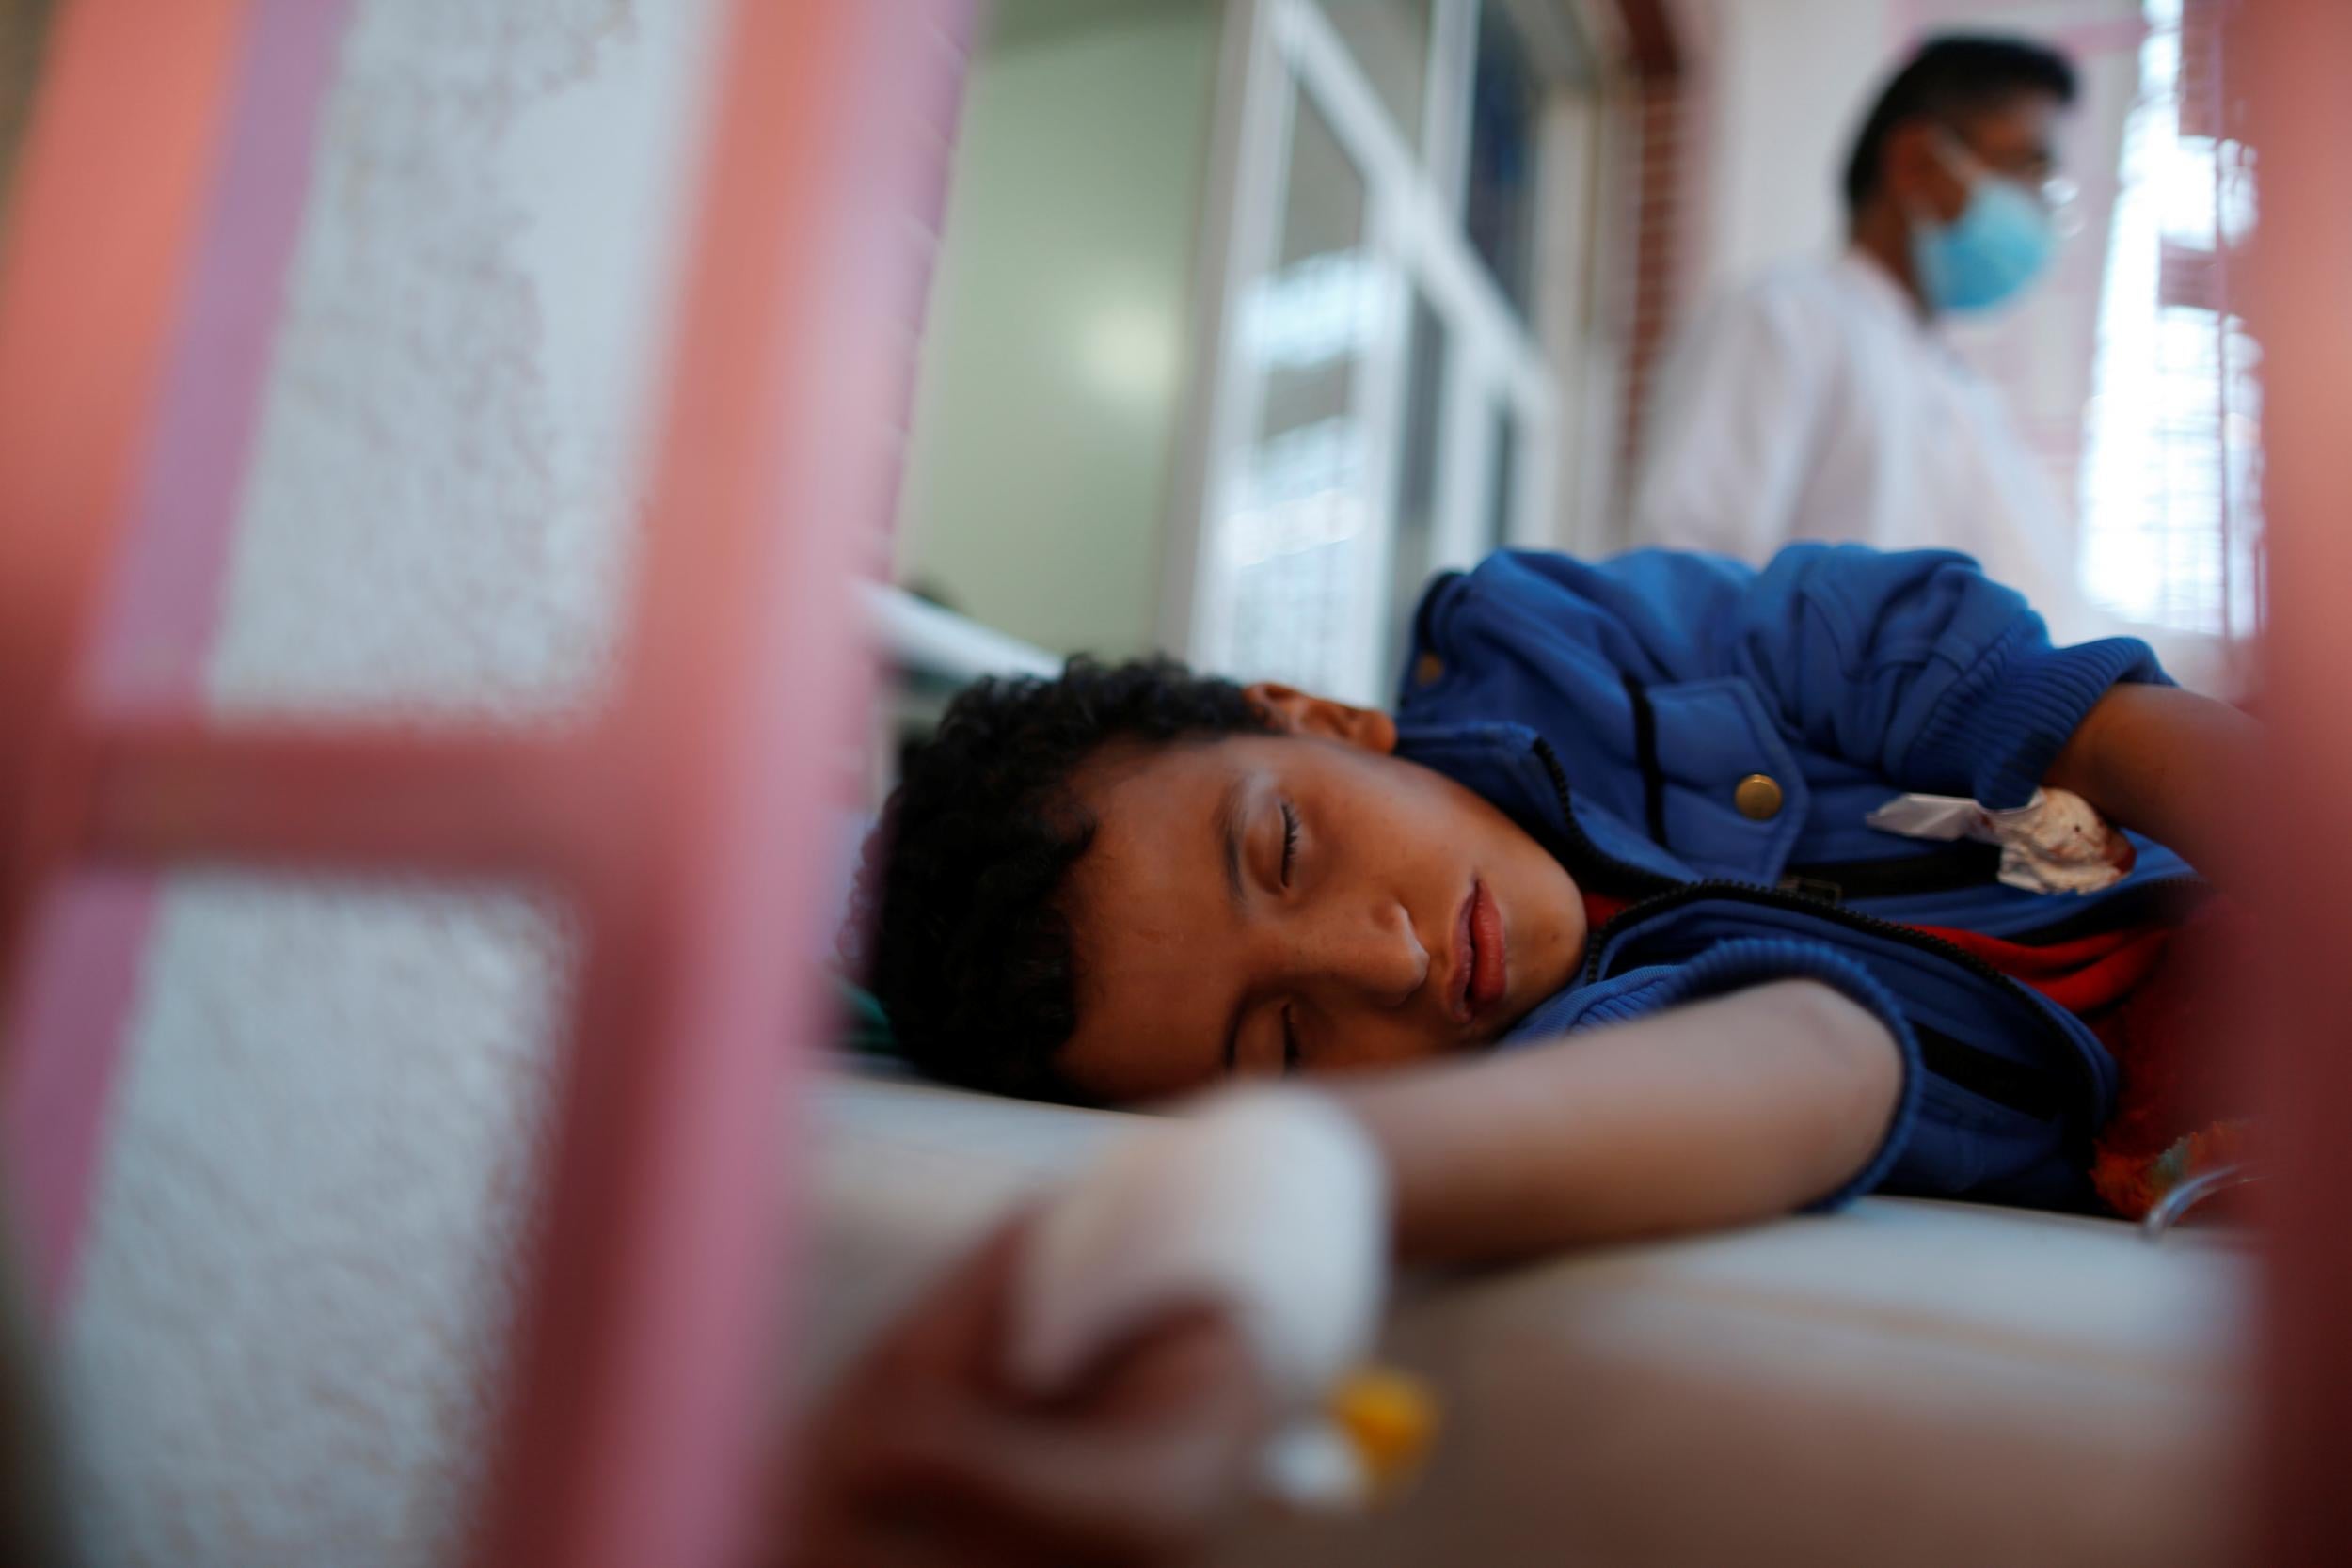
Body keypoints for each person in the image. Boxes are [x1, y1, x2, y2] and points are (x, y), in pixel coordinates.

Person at [860, 543, 2256, 1265]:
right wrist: (1310, 1188)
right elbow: (1822, 1054)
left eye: (1287, 845)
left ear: (1323, 720)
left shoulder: (1554, 639)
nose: (1384, 958)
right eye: (1284, 1044)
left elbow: (1983, 680)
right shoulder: (1566, 1070)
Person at [1631, 36, 2089, 634]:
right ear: (1916, 162)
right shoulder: (1786, 317)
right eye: (2027, 169)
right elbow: (1684, 578)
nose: (2037, 210)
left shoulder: (1966, 392)